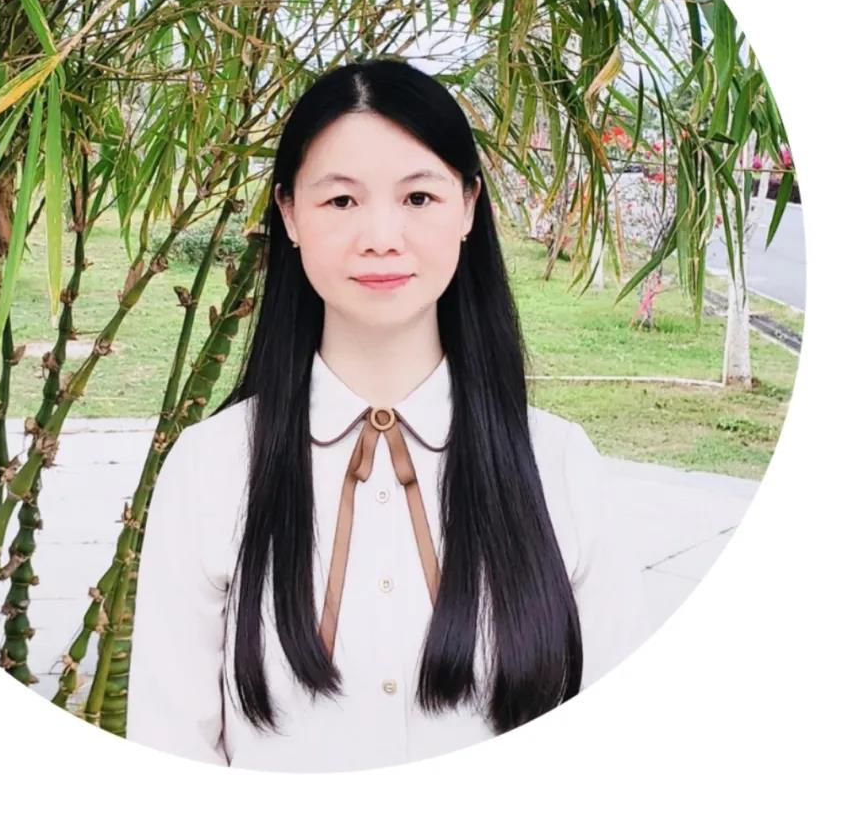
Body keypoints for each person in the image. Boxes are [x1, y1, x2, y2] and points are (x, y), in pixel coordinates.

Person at [125, 58, 650, 772]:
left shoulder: (560, 464)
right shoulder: (211, 467)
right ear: (289, 213)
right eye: (341, 200)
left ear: (468, 206)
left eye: (419, 197)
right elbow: (171, 749)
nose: (380, 235)